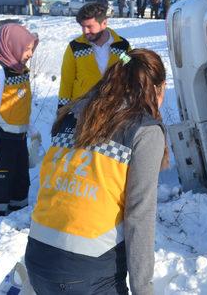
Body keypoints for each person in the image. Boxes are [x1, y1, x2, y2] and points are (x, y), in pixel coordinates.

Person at [25, 49, 168, 295]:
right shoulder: (143, 131)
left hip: (38, 256)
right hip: (88, 269)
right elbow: (139, 215)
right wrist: (143, 289)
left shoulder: (72, 114)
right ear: (158, 88)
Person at [0, 24, 39, 221]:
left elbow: (18, 106)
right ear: (12, 44)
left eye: (31, 49)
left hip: (16, 138)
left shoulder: (18, 69)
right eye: (27, 48)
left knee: (20, 186)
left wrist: (31, 131)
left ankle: (15, 230)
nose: (30, 53)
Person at [57, 3, 131, 110]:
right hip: (82, 112)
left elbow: (131, 70)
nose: (85, 31)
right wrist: (62, 110)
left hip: (113, 111)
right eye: (83, 27)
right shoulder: (75, 47)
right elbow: (66, 82)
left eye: (89, 26)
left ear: (104, 23)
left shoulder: (122, 47)